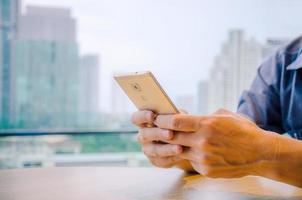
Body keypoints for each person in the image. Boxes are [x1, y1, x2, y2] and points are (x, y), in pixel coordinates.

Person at [131, 36, 302, 188]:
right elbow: (236, 144)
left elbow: (250, 149)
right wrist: (181, 144)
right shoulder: (282, 62)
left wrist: (266, 153)